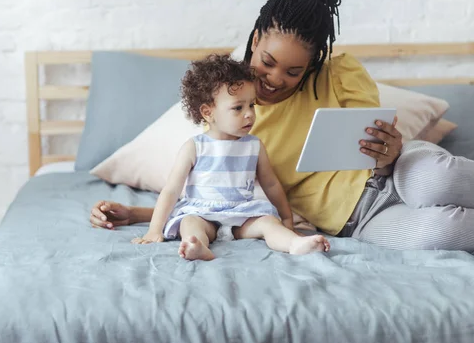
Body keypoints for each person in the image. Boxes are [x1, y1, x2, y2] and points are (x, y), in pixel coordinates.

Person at [90, 0, 474, 252]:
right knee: (437, 234)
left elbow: (378, 139)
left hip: (398, 172)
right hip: (358, 220)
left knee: (435, 180)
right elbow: (211, 201)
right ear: (254, 39)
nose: (274, 78)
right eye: (267, 62)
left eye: (293, 71)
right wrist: (135, 215)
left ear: (313, 65)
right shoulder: (234, 113)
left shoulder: (338, 74)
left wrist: (389, 150)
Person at [129, 54, 330, 260]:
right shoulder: (195, 147)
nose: (249, 114)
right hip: (203, 214)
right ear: (208, 112)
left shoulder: (254, 146)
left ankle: (294, 243)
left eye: (252, 105)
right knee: (189, 223)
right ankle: (198, 247)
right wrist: (154, 229)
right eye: (238, 108)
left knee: (269, 223)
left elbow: (271, 185)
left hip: (242, 216)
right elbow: (171, 190)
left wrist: (286, 220)